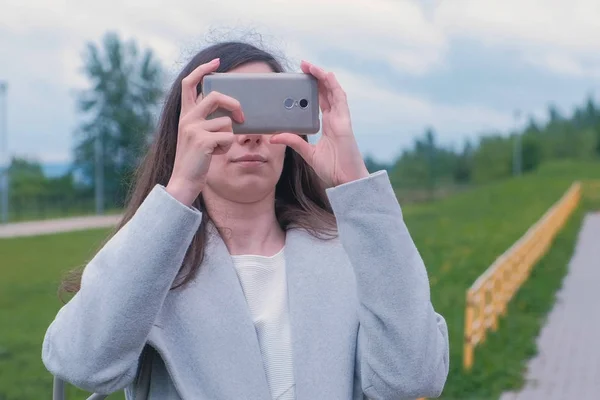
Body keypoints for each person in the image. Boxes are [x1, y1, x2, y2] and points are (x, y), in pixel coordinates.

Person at [42, 41, 449, 400]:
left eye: (264, 112)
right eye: (226, 113)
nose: (250, 135)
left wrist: (356, 185)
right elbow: (82, 363)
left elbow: (414, 376)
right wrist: (180, 184)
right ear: (185, 132)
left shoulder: (350, 255)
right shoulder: (153, 267)